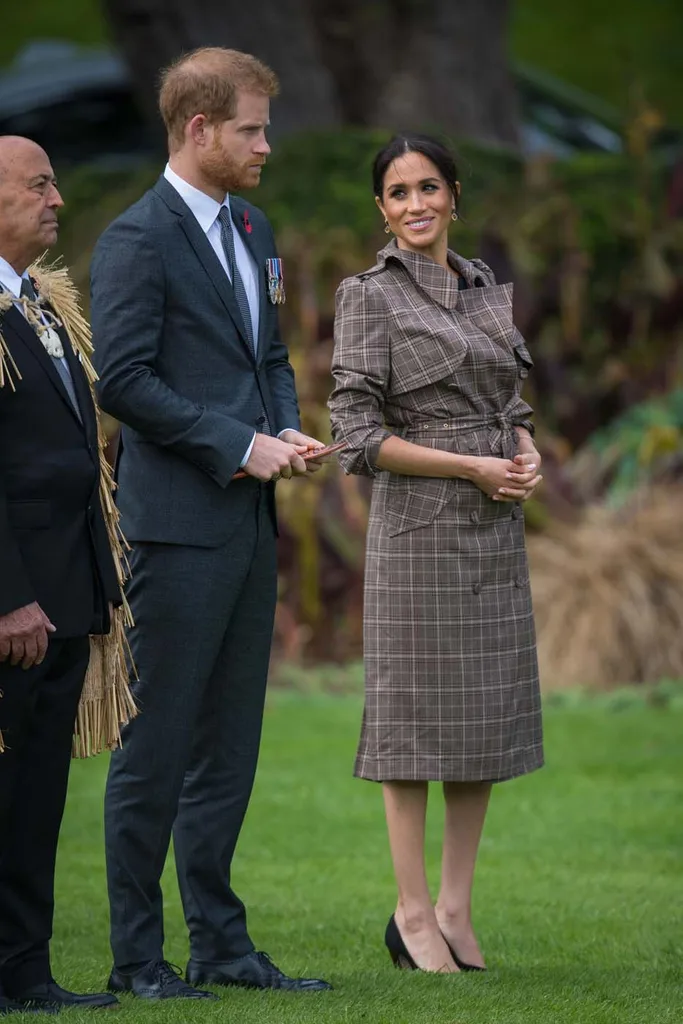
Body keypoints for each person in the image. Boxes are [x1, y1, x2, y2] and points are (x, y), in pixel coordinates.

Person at [90, 47, 331, 999]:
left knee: (230, 748)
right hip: (177, 529)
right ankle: (138, 960)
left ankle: (222, 948)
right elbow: (124, 380)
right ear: (199, 130)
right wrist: (236, 443)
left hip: (248, 525)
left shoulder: (253, 224)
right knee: (157, 750)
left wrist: (282, 425)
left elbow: (270, 352)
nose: (266, 144)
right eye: (251, 129)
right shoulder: (136, 239)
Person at [328, 133, 544, 974]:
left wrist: (525, 450)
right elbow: (355, 434)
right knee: (415, 724)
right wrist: (469, 466)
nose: (414, 205)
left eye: (427, 188)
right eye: (396, 193)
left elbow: (509, 396)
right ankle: (411, 912)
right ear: (379, 209)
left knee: (480, 717)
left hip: (492, 526)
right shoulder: (366, 295)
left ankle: (455, 906)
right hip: (418, 531)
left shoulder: (483, 286)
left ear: (454, 194)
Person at [0, 135, 127, 1013]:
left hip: (67, 593)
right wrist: (7, 594)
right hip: (14, 601)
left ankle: (25, 974)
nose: (57, 199)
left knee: (38, 795)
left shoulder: (40, 303)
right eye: (38, 185)